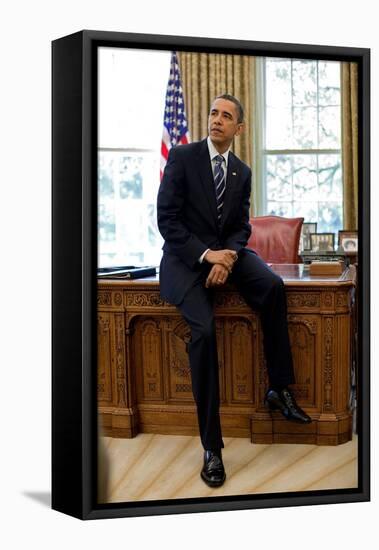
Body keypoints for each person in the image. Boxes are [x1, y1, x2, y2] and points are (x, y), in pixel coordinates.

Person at [157, 94, 311, 489]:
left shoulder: (241, 171)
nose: (217, 120)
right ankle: (212, 447)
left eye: (226, 116)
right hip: (184, 258)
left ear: (239, 128)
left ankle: (278, 387)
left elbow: (242, 226)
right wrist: (209, 257)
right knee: (204, 332)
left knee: (273, 287)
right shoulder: (182, 157)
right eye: (214, 113)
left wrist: (227, 258)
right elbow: (167, 221)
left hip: (228, 251)